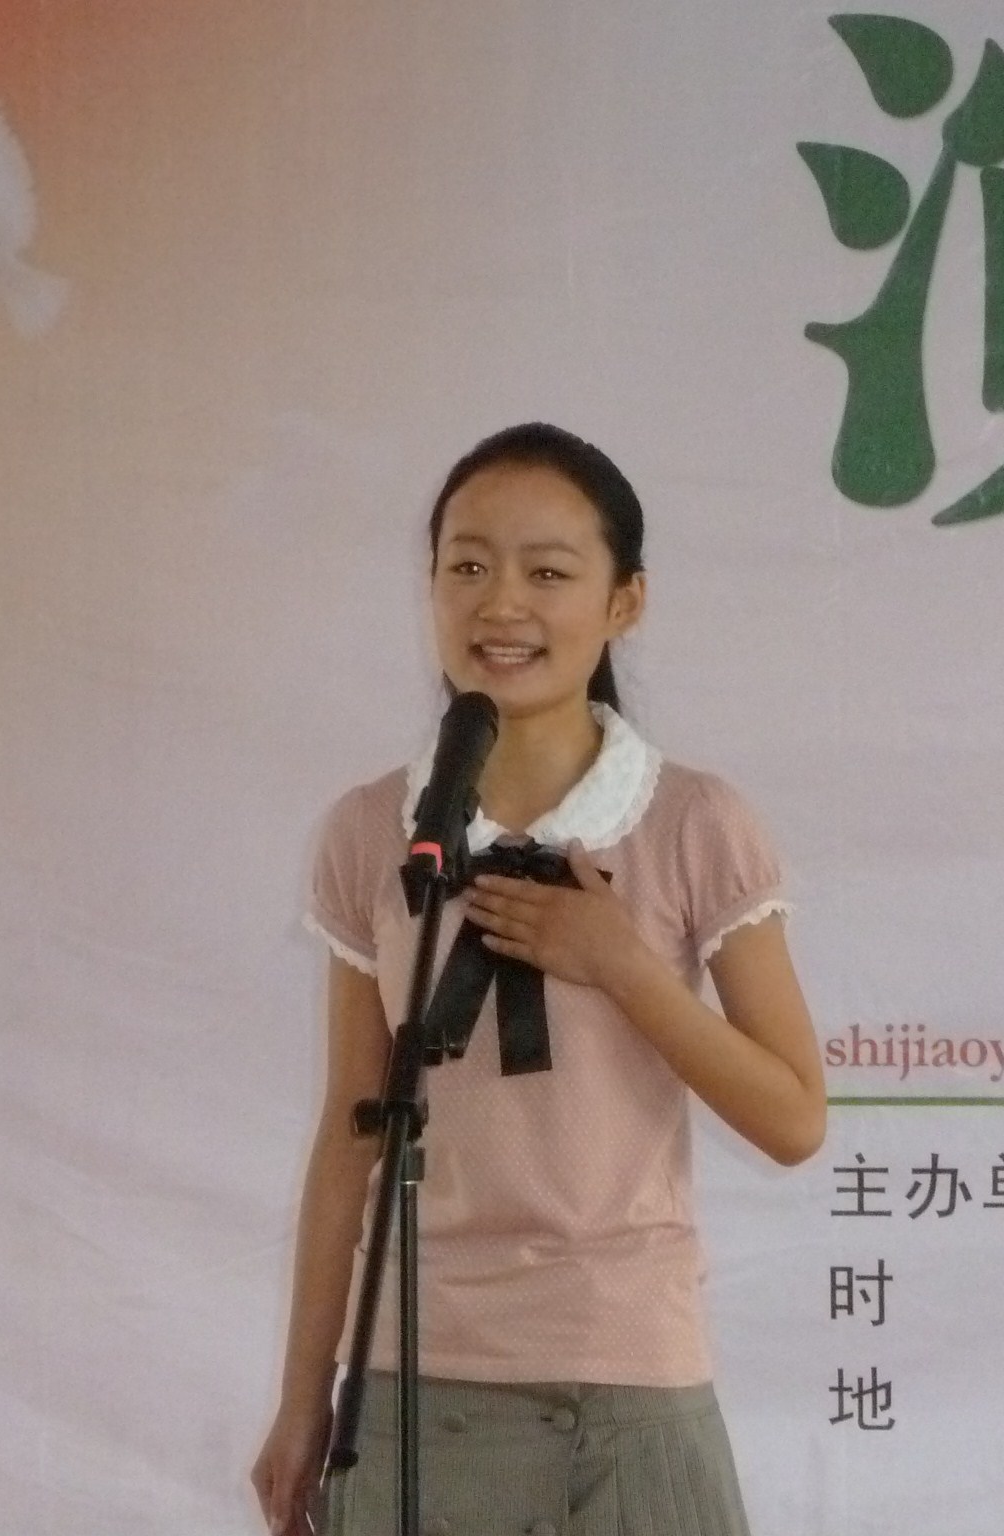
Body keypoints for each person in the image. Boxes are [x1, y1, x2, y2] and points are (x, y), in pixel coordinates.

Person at [250, 423, 825, 1536]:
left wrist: (621, 964)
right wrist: (301, 1399)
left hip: (632, 1392)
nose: (500, 603)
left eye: (548, 573)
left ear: (624, 602)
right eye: (466, 566)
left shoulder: (694, 821)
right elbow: (350, 1134)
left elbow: (794, 1118)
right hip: (417, 1394)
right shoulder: (371, 831)